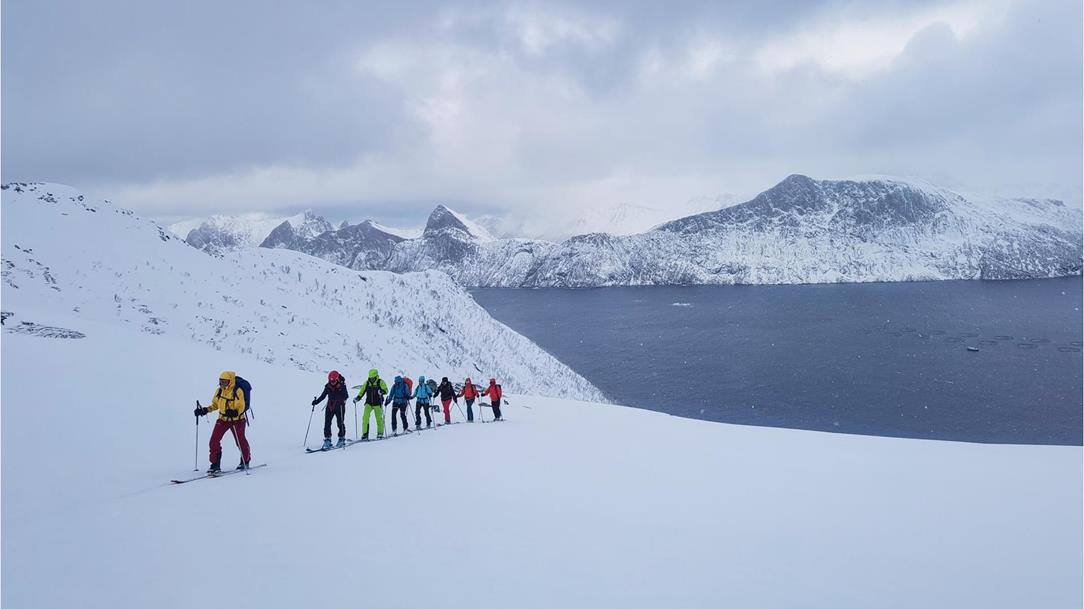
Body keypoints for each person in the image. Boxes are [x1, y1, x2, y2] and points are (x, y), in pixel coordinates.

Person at [193, 371, 251, 472]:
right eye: (220, 381)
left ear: (230, 381)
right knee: (214, 441)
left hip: (237, 420)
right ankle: (215, 465)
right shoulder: (219, 391)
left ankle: (245, 461)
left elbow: (241, 406)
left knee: (240, 441)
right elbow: (216, 405)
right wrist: (205, 410)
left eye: (224, 382)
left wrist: (235, 412)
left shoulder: (238, 391)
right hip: (223, 419)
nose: (222, 384)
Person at [312, 370, 348, 449]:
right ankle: (327, 439)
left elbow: (346, 396)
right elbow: (323, 396)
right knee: (327, 423)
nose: (332, 382)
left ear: (337, 379)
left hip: (340, 406)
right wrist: (316, 402)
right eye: (330, 380)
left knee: (340, 422)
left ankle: (341, 438)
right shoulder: (327, 386)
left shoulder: (342, 385)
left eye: (334, 381)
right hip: (330, 406)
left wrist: (341, 393)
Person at [353, 368, 387, 440]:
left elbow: (386, 390)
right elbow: (362, 391)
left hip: (377, 403)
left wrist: (382, 391)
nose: (371, 379)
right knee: (365, 418)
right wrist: (358, 398)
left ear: (376, 376)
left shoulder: (380, 382)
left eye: (372, 378)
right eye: (370, 378)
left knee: (379, 419)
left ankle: (380, 433)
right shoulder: (367, 383)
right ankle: (365, 434)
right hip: (368, 403)